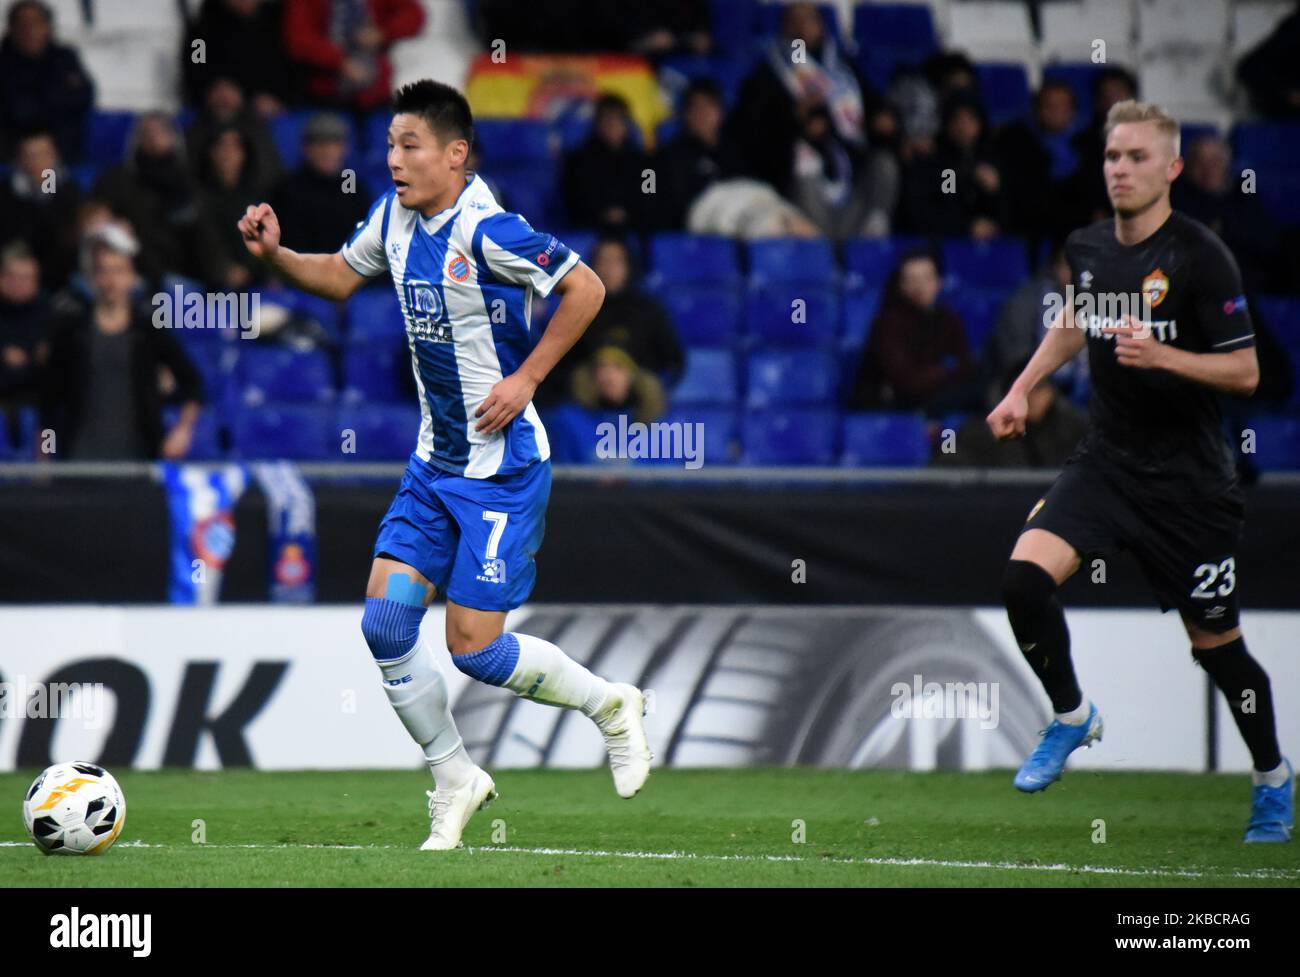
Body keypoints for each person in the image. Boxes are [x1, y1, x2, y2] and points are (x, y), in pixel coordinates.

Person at [236, 79, 652, 851]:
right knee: (386, 619)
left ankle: (610, 705)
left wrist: (526, 378)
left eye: (410, 145)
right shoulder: (394, 217)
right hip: (435, 460)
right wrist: (278, 253)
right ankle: (454, 775)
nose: (392, 159)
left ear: (455, 155)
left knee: (476, 649)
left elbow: (586, 287)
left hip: (503, 467)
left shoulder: (488, 230)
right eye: (390, 144)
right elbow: (337, 275)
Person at [986, 101, 1292, 842]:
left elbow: (1249, 371)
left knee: (1220, 654)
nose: (1121, 169)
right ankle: (1072, 715)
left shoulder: (1200, 257)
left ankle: (1272, 779)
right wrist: (1022, 387)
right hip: (1107, 464)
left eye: (1137, 158)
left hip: (1189, 485)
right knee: (1022, 580)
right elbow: (1072, 320)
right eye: (1112, 156)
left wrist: (1166, 356)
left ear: (1173, 169)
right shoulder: (1089, 247)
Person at [41, 225, 204, 461]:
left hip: (139, 459)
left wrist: (183, 430)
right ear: (93, 278)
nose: (111, 280)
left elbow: (193, 384)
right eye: (104, 272)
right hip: (78, 459)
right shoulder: (71, 331)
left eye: (119, 271)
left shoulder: (148, 330)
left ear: (131, 277)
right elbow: (49, 401)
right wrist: (44, 457)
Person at [847, 249, 977, 414]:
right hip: (892, 411)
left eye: (926, 278)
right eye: (912, 280)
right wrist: (945, 370)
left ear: (939, 282)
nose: (919, 287)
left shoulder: (949, 319)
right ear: (901, 285)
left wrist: (943, 374)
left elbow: (965, 368)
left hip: (940, 404)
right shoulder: (887, 323)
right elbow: (906, 381)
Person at [936, 358, 1086, 468]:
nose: (1032, 397)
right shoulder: (978, 434)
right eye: (1025, 391)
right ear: (1008, 394)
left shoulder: (1072, 429)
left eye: (1039, 388)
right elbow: (947, 469)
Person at [0, 0, 93, 160]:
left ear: (48, 27)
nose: (30, 31)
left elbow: (83, 97)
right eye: (22, 25)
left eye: (36, 23)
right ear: (12, 29)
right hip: (12, 154)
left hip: (62, 152)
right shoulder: (4, 63)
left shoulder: (64, 58)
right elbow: (15, 110)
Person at [268, 112, 371, 254]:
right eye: (320, 145)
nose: (327, 152)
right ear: (306, 149)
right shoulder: (288, 190)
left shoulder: (350, 183)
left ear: (345, 149)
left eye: (334, 145)